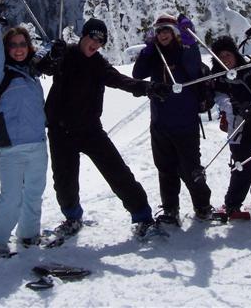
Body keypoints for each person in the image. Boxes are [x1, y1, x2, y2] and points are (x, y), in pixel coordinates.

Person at [44, 18, 170, 239]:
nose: (96, 43)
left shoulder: (98, 64)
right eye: (93, 37)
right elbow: (44, 67)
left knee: (117, 172)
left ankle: (143, 216)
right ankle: (72, 217)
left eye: (101, 41)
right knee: (64, 181)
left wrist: (147, 87)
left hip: (90, 129)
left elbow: (120, 80)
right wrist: (52, 55)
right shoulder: (65, 55)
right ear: (84, 35)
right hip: (60, 131)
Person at [0, 6, 63, 258]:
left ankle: (28, 234)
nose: (18, 48)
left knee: (34, 193)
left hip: (37, 143)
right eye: (13, 44)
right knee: (12, 197)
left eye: (22, 44)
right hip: (10, 147)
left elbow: (47, 54)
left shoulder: (31, 72)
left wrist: (58, 49)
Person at [132, 14, 212, 224]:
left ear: (174, 32)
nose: (163, 35)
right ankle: (170, 208)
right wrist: (146, 51)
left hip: (185, 121)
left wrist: (190, 42)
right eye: (159, 31)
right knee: (165, 168)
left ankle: (202, 205)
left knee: (190, 168)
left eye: (166, 30)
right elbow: (138, 73)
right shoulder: (154, 54)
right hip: (160, 123)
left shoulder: (183, 51)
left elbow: (194, 68)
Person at [210, 26, 251, 219]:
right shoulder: (218, 80)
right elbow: (222, 100)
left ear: (234, 54)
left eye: (228, 54)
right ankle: (232, 204)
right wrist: (238, 108)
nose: (225, 59)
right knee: (243, 168)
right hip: (241, 130)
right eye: (220, 56)